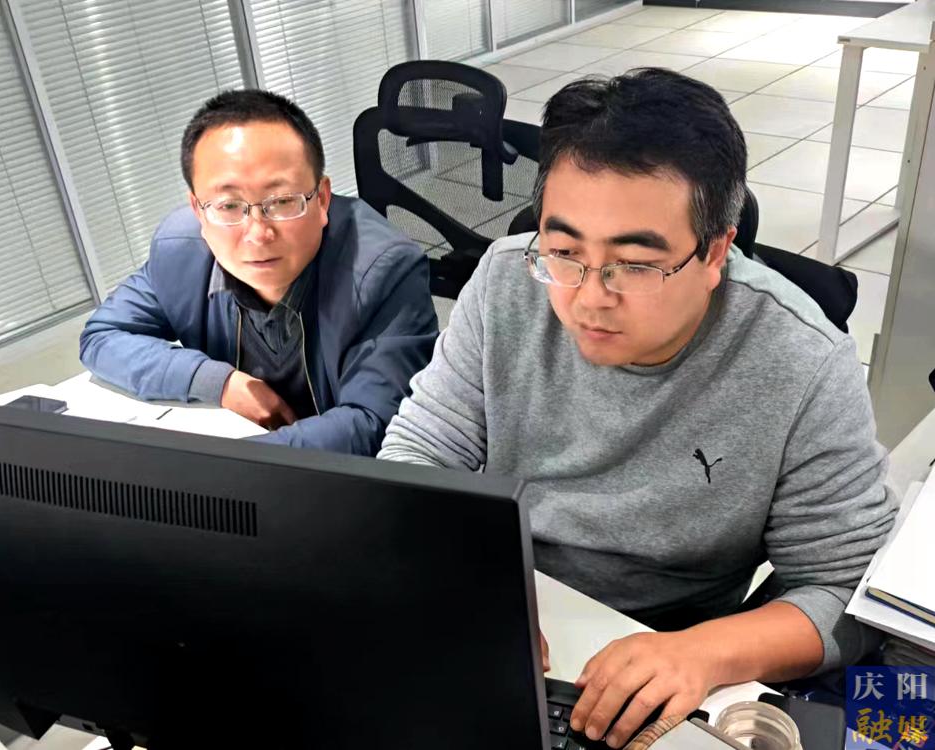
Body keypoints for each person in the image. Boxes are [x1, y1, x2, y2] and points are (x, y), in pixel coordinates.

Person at [378, 69, 895, 746]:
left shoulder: (802, 360)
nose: (590, 297)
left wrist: (705, 652)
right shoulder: (506, 281)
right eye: (564, 251)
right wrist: (463, 577)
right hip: (506, 611)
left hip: (666, 651)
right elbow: (419, 452)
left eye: (636, 264)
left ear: (715, 251)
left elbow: (848, 591)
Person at [80, 90, 438, 456]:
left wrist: (221, 467)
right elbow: (102, 336)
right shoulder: (180, 252)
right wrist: (219, 383)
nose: (258, 233)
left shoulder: (383, 269)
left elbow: (376, 424)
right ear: (198, 211)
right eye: (228, 205)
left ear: (322, 199)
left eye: (281, 201)